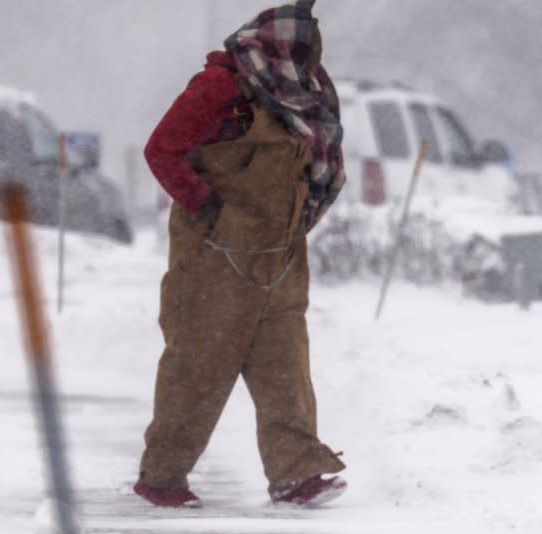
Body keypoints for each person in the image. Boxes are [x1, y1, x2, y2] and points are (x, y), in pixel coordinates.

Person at [134, 0, 347, 508]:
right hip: (214, 257)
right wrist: (206, 206)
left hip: (279, 255)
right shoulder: (218, 88)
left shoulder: (306, 90)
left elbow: (323, 164)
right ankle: (162, 476)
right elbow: (161, 149)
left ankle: (297, 472)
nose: (303, 69)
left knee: (285, 366)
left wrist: (300, 221)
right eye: (295, 57)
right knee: (198, 364)